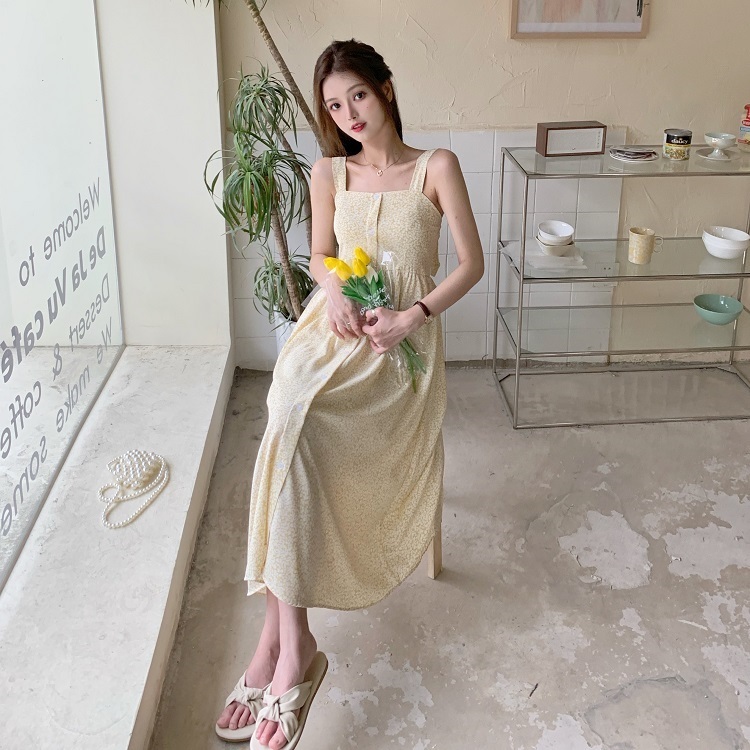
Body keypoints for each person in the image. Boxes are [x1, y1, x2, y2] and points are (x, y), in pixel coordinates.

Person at [215, 38, 484, 750]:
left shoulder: (436, 167)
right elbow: (320, 256)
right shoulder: (328, 171)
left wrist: (412, 316)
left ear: (386, 88)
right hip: (332, 328)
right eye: (334, 105)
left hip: (397, 345)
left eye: (357, 95)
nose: (349, 114)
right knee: (286, 411)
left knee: (297, 427)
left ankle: (277, 648)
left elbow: (471, 264)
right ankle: (290, 647)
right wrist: (332, 289)